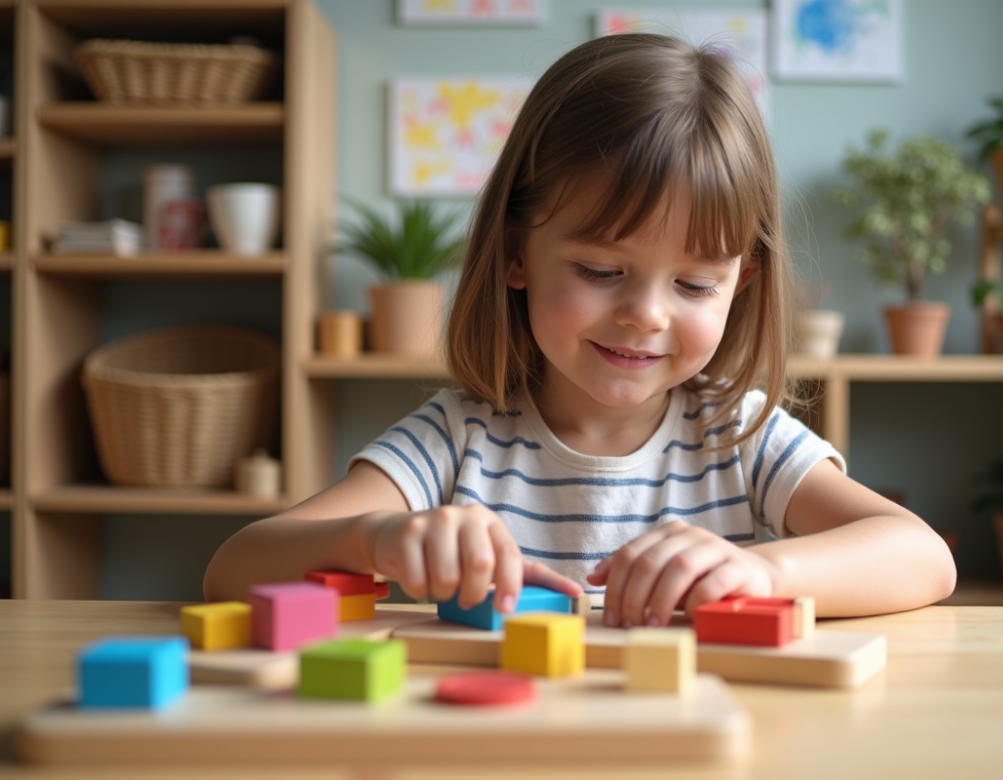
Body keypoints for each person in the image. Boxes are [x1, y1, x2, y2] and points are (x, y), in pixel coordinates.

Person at [204, 33, 956, 626]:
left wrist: (768, 572)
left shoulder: (739, 434)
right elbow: (234, 567)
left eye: (696, 284)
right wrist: (375, 539)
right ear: (516, 255)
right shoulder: (458, 437)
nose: (647, 314)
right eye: (601, 270)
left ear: (741, 286)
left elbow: (923, 556)